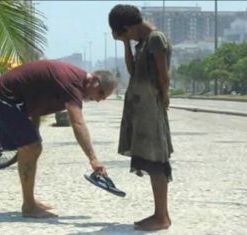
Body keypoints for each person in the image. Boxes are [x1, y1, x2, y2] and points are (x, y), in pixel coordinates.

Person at [0, 59, 117, 218]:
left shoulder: (74, 81)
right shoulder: (73, 82)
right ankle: (29, 206)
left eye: (104, 97)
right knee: (31, 147)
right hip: (1, 96)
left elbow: (36, 104)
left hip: (11, 100)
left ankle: (29, 201)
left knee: (33, 146)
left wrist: (35, 133)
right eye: (101, 93)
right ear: (93, 80)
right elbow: (78, 123)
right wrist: (93, 159)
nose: (99, 99)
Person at [109, 4, 173, 231]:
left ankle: (162, 217)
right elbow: (133, 70)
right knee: (150, 160)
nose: (124, 37)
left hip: (151, 109)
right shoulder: (142, 42)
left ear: (127, 27)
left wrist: (164, 97)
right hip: (142, 110)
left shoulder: (155, 39)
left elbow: (163, 76)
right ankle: (159, 214)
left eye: (123, 33)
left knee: (156, 162)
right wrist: (126, 43)